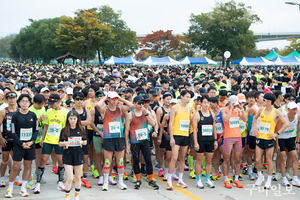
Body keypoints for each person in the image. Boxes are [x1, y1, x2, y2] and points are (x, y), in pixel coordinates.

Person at [95, 91, 134, 191]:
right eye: (113, 99)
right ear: (109, 100)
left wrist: (121, 98)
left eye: (116, 98)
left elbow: (131, 105)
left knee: (120, 161)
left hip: (119, 138)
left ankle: (120, 182)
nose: (115, 100)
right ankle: (105, 183)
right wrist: (105, 97)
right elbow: (98, 105)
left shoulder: (120, 109)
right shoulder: (104, 110)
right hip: (108, 138)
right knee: (107, 161)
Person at [34, 93, 69, 194]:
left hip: (60, 141)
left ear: (58, 101)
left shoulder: (65, 112)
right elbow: (45, 126)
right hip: (48, 140)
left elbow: (67, 128)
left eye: (52, 103)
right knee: (43, 160)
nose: (50, 105)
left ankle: (60, 182)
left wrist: (65, 141)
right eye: (49, 103)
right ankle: (38, 183)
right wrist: (42, 139)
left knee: (61, 161)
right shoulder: (48, 111)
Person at [5, 94, 38, 198]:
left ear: (30, 103)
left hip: (30, 145)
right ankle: (10, 188)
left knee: (28, 166)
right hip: (19, 145)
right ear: (19, 103)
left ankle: (23, 188)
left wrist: (32, 142)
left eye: (27, 101)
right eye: (22, 101)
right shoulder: (15, 116)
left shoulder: (33, 115)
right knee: (16, 167)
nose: (24, 103)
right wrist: (21, 143)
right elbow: (13, 132)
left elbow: (36, 130)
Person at [253, 93, 289, 189]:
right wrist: (255, 129)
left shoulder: (276, 112)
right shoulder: (261, 110)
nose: (262, 101)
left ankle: (268, 180)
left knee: (269, 160)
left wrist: (276, 133)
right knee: (257, 159)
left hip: (269, 139)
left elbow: (286, 124)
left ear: (269, 102)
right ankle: (260, 176)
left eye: (264, 100)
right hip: (260, 138)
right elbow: (254, 118)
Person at [125, 95, 159, 190]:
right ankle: (138, 180)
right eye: (139, 103)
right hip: (135, 141)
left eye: (143, 103)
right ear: (135, 103)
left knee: (148, 160)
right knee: (136, 161)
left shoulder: (146, 112)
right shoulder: (130, 115)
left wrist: (146, 113)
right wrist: (127, 145)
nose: (141, 105)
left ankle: (151, 181)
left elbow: (153, 124)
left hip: (145, 140)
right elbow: (126, 130)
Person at [167, 90, 193, 190]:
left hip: (185, 135)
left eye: (189, 97)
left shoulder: (189, 108)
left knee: (182, 158)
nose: (188, 99)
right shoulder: (175, 107)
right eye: (186, 96)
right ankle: (169, 180)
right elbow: (170, 123)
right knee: (174, 158)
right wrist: (172, 138)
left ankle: (180, 180)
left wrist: (191, 118)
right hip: (176, 135)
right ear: (181, 97)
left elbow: (189, 123)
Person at [59, 110, 87, 200]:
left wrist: (82, 142)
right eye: (71, 119)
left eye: (74, 119)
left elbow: (85, 141)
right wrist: (65, 143)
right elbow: (59, 143)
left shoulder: (81, 129)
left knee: (78, 177)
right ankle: (67, 196)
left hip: (78, 153)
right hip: (68, 154)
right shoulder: (64, 130)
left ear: (77, 119)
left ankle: (76, 195)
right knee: (70, 177)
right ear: (68, 119)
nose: (72, 121)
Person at [221, 95, 247, 189]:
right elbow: (226, 119)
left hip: (238, 137)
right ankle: (226, 179)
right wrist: (231, 108)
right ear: (229, 102)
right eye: (233, 103)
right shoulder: (224, 109)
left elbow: (245, 119)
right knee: (226, 159)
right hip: (228, 137)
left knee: (237, 159)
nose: (235, 105)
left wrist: (242, 109)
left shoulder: (238, 109)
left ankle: (236, 179)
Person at [193, 94, 218, 188]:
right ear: (201, 103)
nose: (207, 104)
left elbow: (214, 128)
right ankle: (198, 180)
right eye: (205, 102)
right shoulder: (197, 114)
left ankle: (207, 180)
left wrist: (215, 140)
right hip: (200, 141)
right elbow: (194, 130)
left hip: (209, 141)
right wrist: (195, 142)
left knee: (208, 160)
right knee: (199, 160)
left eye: (208, 102)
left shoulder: (212, 114)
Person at [276, 102, 300, 186]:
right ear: (288, 109)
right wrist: (276, 144)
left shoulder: (298, 116)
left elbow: (299, 130)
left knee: (295, 156)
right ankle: (283, 178)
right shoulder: (283, 117)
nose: (294, 110)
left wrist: (297, 141)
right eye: (293, 109)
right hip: (280, 138)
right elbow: (276, 131)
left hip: (290, 138)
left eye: (295, 108)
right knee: (282, 157)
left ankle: (295, 178)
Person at [72, 92, 92, 188]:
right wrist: (82, 123)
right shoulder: (71, 111)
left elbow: (89, 122)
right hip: (73, 136)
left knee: (85, 157)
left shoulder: (86, 110)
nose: (79, 101)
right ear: (74, 100)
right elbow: (69, 123)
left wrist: (76, 122)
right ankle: (73, 176)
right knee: (73, 156)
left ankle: (84, 177)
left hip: (84, 136)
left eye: (81, 99)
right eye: (77, 99)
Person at [27, 94, 47, 189]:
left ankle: (37, 174)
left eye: (42, 104)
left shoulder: (43, 109)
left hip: (39, 138)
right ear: (33, 102)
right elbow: (27, 125)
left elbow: (44, 125)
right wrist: (39, 120)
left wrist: (43, 138)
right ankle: (28, 179)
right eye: (39, 104)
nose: (40, 106)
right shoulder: (30, 110)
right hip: (30, 139)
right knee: (29, 160)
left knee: (39, 158)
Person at [0, 92, 20, 187]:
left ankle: (17, 177)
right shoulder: (4, 111)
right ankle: (2, 178)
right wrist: (1, 138)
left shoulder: (20, 111)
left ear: (16, 99)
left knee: (17, 160)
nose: (12, 99)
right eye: (10, 98)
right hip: (7, 139)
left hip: (17, 139)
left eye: (14, 98)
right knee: (4, 159)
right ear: (7, 99)